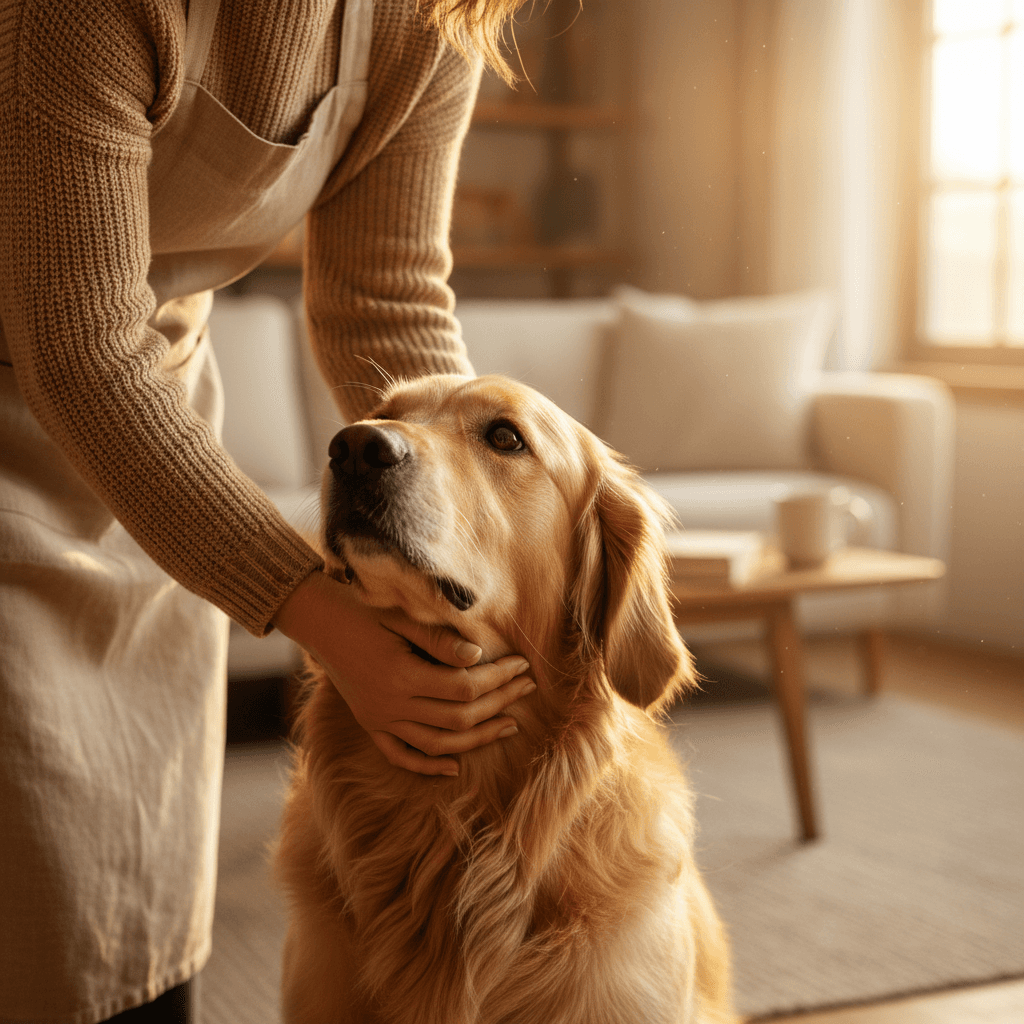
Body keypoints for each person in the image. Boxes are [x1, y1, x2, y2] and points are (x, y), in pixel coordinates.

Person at [0, 1, 535, 1021]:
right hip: (60, 398)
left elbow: (388, 300)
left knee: (133, 909)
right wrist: (320, 616)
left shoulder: (433, 18)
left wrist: (468, 543)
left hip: (156, 441)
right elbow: (79, 348)